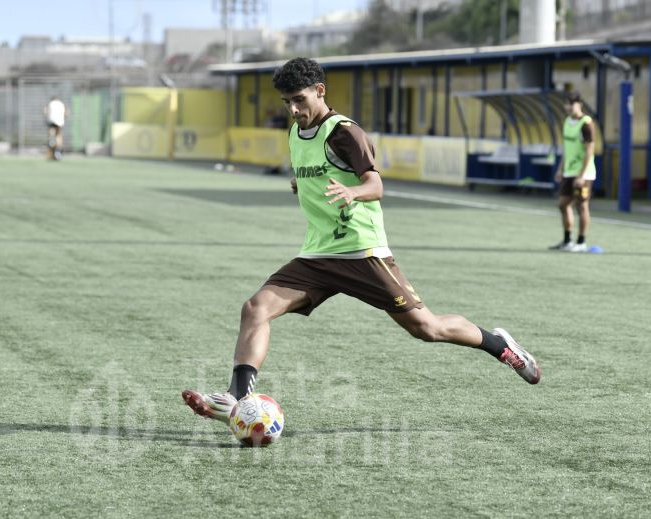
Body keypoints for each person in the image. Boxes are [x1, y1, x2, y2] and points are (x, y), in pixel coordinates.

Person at [182, 57, 541, 424]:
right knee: (255, 308)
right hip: (318, 255)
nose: (292, 109)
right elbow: (315, 176)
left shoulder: (345, 132)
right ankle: (237, 397)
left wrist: (353, 193)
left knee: (427, 328)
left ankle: (502, 346)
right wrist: (301, 185)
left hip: (362, 252)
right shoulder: (295, 133)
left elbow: (375, 184)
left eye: (299, 100)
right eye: (286, 102)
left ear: (320, 91)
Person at [550, 91, 596, 252]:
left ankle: (581, 242)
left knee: (582, 206)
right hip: (568, 171)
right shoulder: (567, 122)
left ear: (579, 104)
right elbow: (566, 148)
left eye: (571, 104)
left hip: (583, 173)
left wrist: (581, 175)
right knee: (563, 205)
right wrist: (560, 168)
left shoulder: (586, 123)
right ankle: (567, 240)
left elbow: (590, 150)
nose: (568, 107)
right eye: (567, 104)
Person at [44, 96, 69, 161]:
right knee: (59, 136)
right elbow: (67, 113)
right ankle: (58, 152)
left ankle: (51, 141)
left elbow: (46, 111)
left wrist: (46, 118)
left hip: (51, 120)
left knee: (51, 132)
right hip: (59, 121)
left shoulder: (50, 103)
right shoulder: (62, 104)